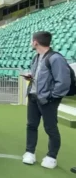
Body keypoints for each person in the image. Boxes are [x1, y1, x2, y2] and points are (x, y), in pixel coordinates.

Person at [22, 31, 71, 169]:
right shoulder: (36, 57)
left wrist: (51, 97)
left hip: (47, 100)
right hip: (33, 97)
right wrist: (30, 76)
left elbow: (63, 82)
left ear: (36, 42)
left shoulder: (56, 58)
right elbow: (40, 76)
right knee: (31, 126)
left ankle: (51, 156)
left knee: (50, 128)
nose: (31, 43)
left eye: (32, 41)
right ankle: (29, 152)